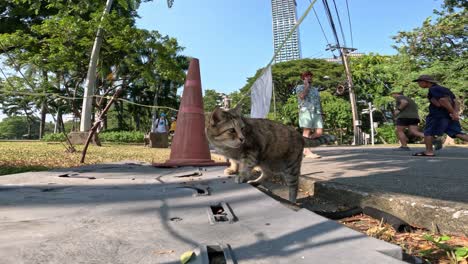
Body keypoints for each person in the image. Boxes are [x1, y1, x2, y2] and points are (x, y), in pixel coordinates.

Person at [412, 74, 468, 156]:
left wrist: (453, 113)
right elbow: (455, 101)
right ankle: (431, 147)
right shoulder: (445, 89)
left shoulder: (433, 89)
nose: (418, 84)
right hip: (448, 115)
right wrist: (454, 113)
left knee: (428, 132)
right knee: (457, 133)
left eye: (419, 82)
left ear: (426, 82)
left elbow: (443, 100)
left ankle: (429, 151)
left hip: (437, 116)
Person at [295, 71, 324, 159]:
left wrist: (322, 112)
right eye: (307, 76)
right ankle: (307, 151)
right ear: (303, 78)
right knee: (306, 131)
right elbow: (302, 96)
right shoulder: (300, 87)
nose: (309, 78)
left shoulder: (315, 89)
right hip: (306, 111)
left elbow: (318, 101)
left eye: (310, 76)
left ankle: (302, 144)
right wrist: (306, 86)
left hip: (317, 111)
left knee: (319, 132)